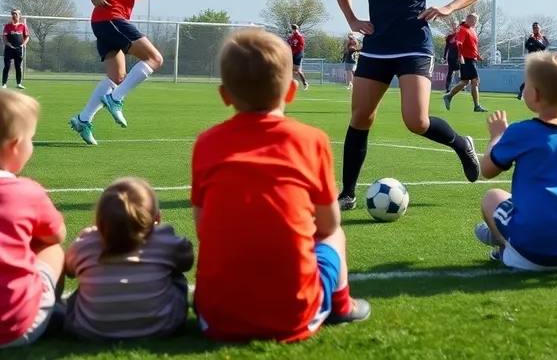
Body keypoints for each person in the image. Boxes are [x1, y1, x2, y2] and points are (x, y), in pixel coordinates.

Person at [192, 29, 369, 343]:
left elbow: (203, 229)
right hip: (293, 315)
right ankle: (341, 306)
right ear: (290, 91)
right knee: (334, 234)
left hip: (215, 317)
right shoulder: (311, 140)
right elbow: (328, 224)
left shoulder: (205, 143)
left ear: (225, 95)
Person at [334, 0, 481, 211]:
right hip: (376, 48)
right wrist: (353, 20)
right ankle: (347, 194)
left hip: (414, 47)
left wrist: (448, 7)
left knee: (416, 121)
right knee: (360, 117)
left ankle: (461, 143)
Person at [475, 51, 557, 273]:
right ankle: (511, 240)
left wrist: (497, 136)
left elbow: (486, 170)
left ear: (534, 94)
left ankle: (506, 247)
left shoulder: (521, 132)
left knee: (492, 197)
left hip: (531, 254)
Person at [66, 0, 163, 146]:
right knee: (155, 58)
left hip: (114, 20)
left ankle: (83, 120)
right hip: (108, 18)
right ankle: (116, 99)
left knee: (117, 77)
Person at [64, 177, 193, 340]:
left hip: (91, 328)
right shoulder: (165, 239)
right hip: (163, 325)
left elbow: (69, 270)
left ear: (98, 220)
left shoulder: (86, 243)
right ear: (157, 218)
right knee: (175, 274)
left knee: (82, 283)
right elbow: (187, 262)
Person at [0, 92, 66, 349]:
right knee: (50, 246)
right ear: (15, 146)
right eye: (32, 139)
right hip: (14, 328)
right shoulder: (27, 192)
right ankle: (53, 309)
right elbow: (57, 234)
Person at [443, 14, 487, 112]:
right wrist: (460, 57)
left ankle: (449, 96)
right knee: (475, 80)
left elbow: (473, 46)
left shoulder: (472, 31)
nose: (475, 21)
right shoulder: (463, 29)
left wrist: (478, 56)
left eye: (476, 20)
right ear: (468, 19)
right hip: (467, 59)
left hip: (472, 58)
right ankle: (476, 106)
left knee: (465, 82)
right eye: (473, 19)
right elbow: (459, 43)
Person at [517, 22, 549, 99]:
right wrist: (531, 39)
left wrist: (534, 40)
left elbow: (543, 47)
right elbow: (528, 46)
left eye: (537, 28)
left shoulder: (543, 38)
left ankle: (522, 89)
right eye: (534, 28)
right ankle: (523, 91)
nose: (535, 29)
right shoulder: (531, 38)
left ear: (540, 28)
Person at [2, 9, 29, 90]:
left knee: (18, 67)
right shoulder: (7, 26)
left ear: (19, 15)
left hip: (18, 49)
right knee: (7, 66)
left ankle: (19, 83)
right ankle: (4, 83)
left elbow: (27, 36)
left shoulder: (23, 26)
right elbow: (4, 36)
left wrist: (24, 44)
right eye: (13, 14)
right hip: (9, 49)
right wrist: (7, 43)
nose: (14, 15)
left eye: (16, 14)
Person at [287, 24, 309, 91]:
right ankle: (290, 84)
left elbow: (301, 46)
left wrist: (294, 52)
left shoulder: (299, 37)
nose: (293, 31)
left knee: (298, 70)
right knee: (290, 69)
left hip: (298, 55)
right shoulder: (292, 37)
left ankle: (305, 83)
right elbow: (290, 44)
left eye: (294, 29)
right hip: (292, 54)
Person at [442, 25, 461, 94]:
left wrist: (461, 56)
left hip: (458, 54)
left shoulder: (460, 35)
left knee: (459, 71)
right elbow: (447, 46)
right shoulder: (450, 36)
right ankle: (447, 88)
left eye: (456, 25)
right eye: (453, 25)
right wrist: (444, 56)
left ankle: (460, 87)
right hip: (451, 55)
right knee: (450, 72)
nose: (454, 27)